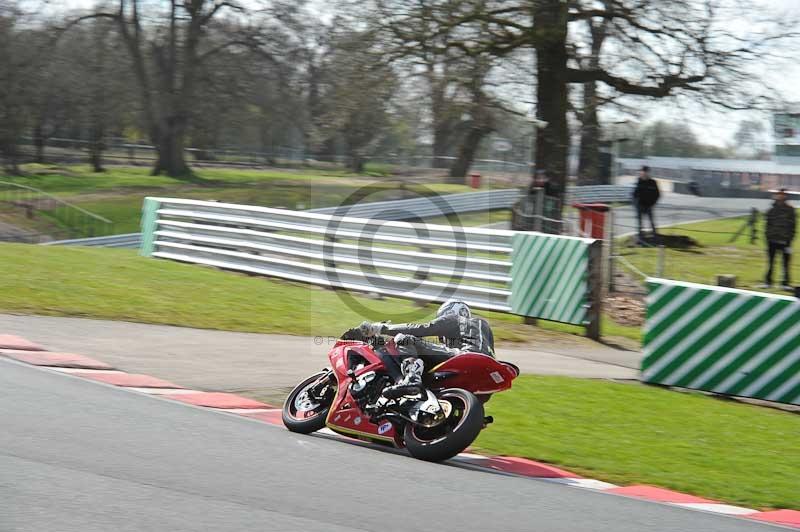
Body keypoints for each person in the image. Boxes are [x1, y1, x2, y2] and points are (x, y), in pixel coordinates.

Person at [358, 300, 495, 392]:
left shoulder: (454, 319)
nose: (443, 339)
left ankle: (412, 377)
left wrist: (382, 328)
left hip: (464, 355)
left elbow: (421, 329)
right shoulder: (483, 327)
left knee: (405, 339)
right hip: (487, 367)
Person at [761, 188, 796, 290]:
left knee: (785, 264)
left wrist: (790, 238)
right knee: (770, 262)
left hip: (785, 241)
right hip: (772, 240)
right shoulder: (771, 210)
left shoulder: (790, 210)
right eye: (779, 194)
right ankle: (768, 282)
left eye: (783, 194)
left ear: (786, 196)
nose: (780, 196)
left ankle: (785, 283)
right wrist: (767, 236)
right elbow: (767, 225)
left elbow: (793, 226)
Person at [633, 165, 660, 243]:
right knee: (639, 223)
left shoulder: (653, 182)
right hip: (640, 206)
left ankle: (655, 237)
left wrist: (653, 203)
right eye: (641, 172)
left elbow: (657, 194)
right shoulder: (639, 182)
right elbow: (634, 194)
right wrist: (636, 204)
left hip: (649, 206)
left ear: (648, 173)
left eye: (644, 172)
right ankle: (640, 238)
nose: (642, 173)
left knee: (652, 222)